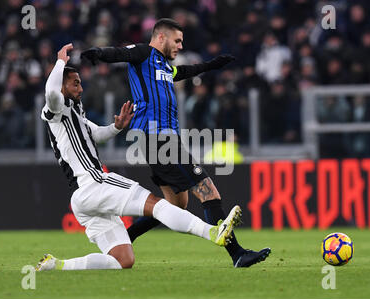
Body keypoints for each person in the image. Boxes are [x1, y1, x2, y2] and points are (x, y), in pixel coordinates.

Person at [81, 18, 271, 268]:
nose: (180, 46)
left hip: (158, 140)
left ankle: (125, 238)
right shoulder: (144, 53)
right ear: (161, 37)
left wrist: (212, 65)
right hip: (157, 138)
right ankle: (237, 254)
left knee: (175, 205)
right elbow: (119, 52)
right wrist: (99, 53)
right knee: (208, 190)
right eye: (177, 40)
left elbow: (185, 72)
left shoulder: (164, 67)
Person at [35, 44, 242, 271]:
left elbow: (95, 134)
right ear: (62, 84)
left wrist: (116, 127)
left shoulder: (74, 113)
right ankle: (212, 232)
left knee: (123, 260)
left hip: (81, 199)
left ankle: (57, 265)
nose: (81, 88)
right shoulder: (55, 108)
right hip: (94, 183)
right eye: (75, 83)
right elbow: (51, 93)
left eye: (81, 83)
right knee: (158, 205)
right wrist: (60, 62)